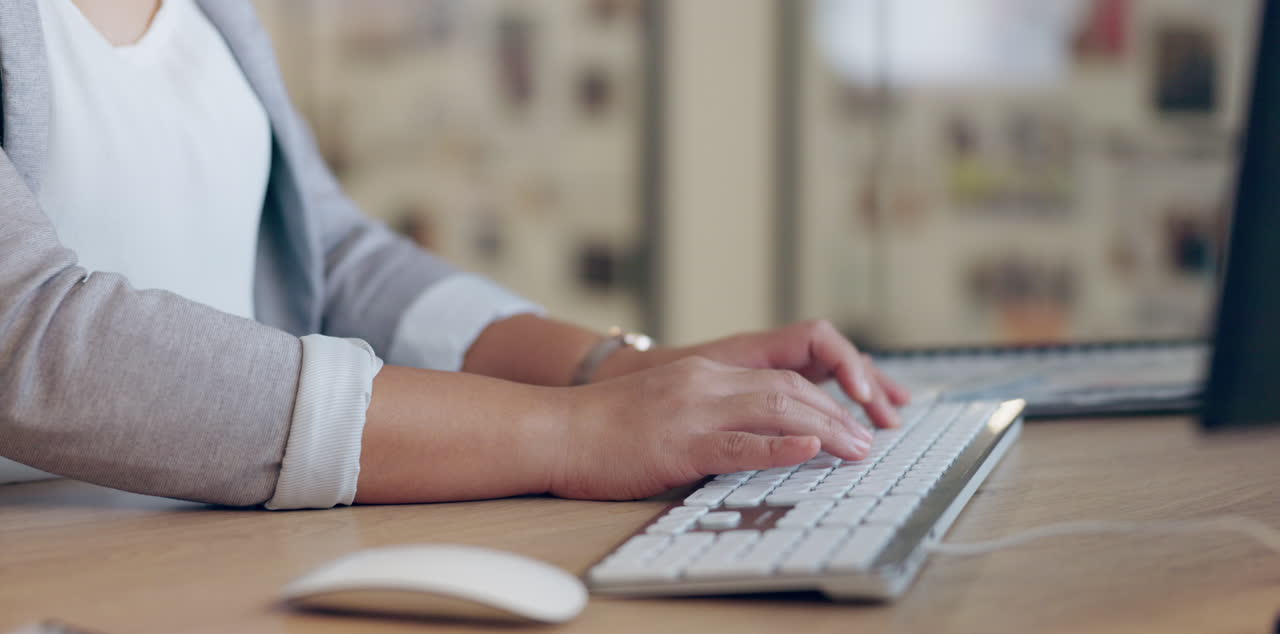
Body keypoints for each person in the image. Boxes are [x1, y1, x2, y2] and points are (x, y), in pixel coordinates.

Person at [0, 0, 910, 510]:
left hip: (211, 563)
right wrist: (570, 434)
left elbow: (334, 253)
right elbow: (30, 337)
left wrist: (608, 371)